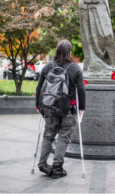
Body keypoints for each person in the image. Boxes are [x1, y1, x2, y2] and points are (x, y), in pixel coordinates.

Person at [35, 40, 86, 179]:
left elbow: (39, 88)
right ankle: (57, 167)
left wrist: (38, 105)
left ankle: (42, 164)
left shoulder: (48, 67)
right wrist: (82, 107)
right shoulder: (75, 69)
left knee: (48, 136)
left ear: (56, 50)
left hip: (49, 109)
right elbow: (81, 90)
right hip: (68, 111)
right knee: (63, 138)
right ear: (70, 51)